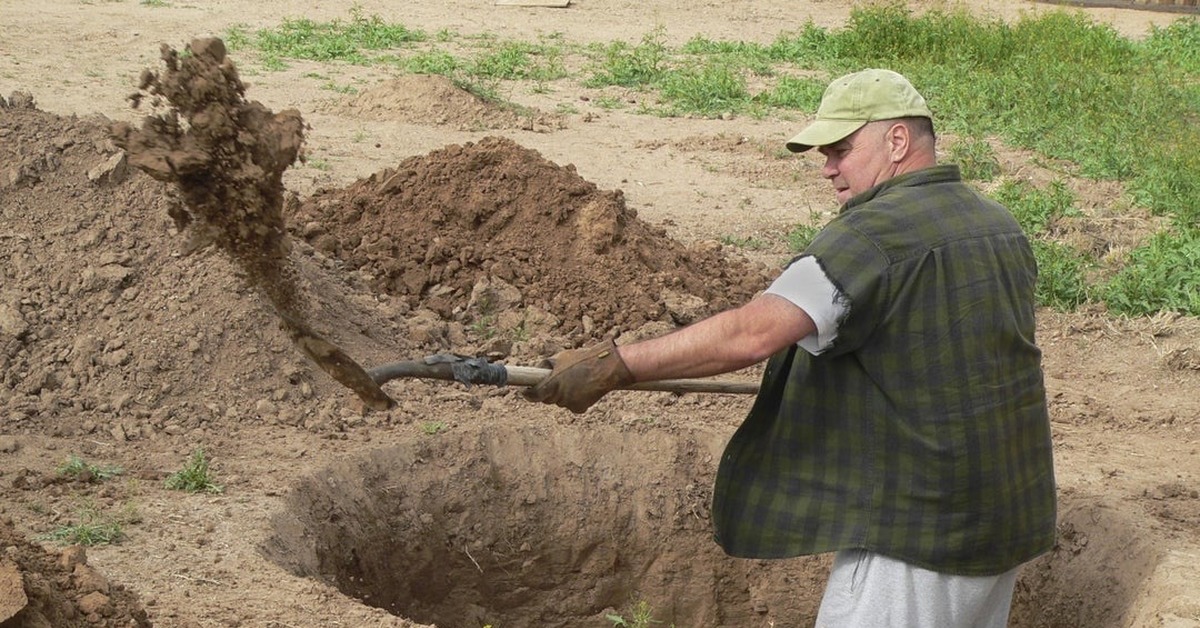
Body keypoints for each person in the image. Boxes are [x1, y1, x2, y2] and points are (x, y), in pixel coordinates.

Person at [524, 68, 1057, 627]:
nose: (828, 168)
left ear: (896, 141)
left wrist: (614, 365)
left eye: (841, 149)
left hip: (918, 531)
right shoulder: (998, 225)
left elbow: (751, 333)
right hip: (1004, 515)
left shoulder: (871, 235)